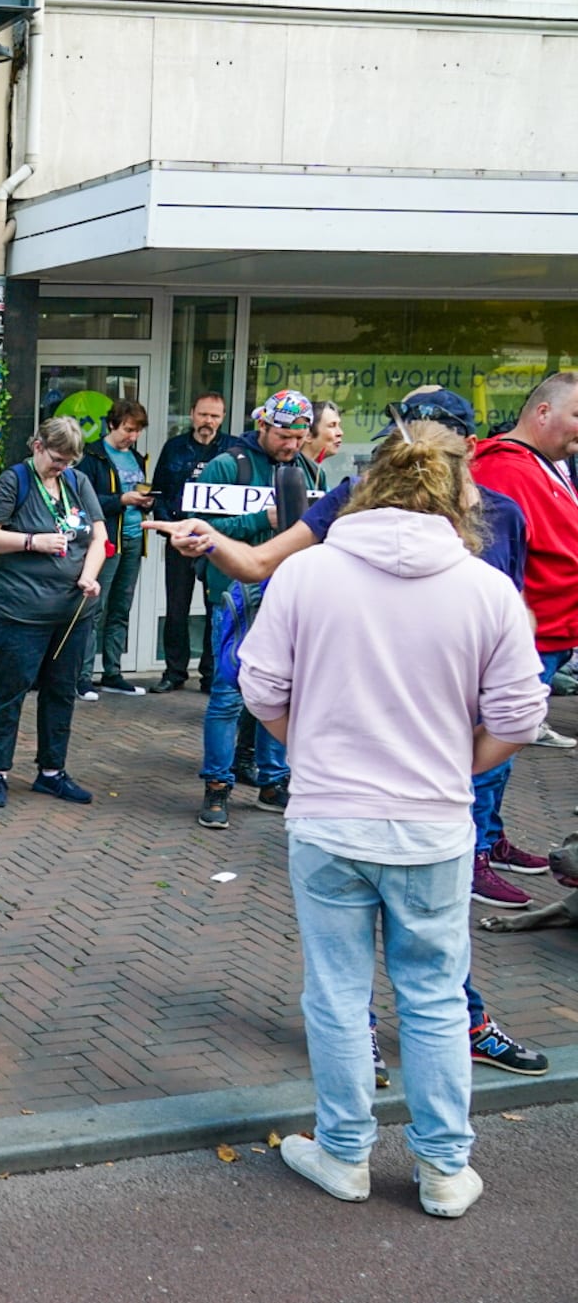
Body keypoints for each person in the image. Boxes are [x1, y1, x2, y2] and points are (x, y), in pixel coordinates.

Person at [154, 386, 554, 1078]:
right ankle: (436, 1147)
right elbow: (258, 572)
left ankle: (382, 1109)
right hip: (410, 775)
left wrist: (459, 758)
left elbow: (516, 662)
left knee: (412, 957)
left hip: (419, 773)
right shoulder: (345, 507)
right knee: (409, 965)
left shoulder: (501, 518)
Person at [240, 423, 543, 1220]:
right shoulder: (484, 588)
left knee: (336, 992)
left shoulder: (309, 575)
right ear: (457, 494)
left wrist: (307, 747)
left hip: (330, 818)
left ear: (369, 485)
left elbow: (261, 685)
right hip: (432, 821)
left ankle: (343, 1152)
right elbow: (520, 710)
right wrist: (456, 763)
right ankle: (445, 1168)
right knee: (436, 996)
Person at [185, 389, 322, 828]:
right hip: (235, 594)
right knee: (227, 694)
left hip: (288, 591)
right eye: (284, 436)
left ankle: (273, 780)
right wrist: (262, 522)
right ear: (262, 425)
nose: (291, 446)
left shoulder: (304, 468)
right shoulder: (229, 465)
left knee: (281, 691)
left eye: (299, 438)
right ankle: (217, 786)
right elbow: (202, 527)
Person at [0, 418, 106, 809]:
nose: (62, 467)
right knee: (9, 693)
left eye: (68, 461)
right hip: (20, 612)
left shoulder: (77, 483)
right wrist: (32, 541)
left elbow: (99, 537)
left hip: (72, 612)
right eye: (57, 459)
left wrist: (89, 577)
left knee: (62, 693)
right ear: (38, 446)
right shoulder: (15, 482)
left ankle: (51, 772)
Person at [464, 370, 578, 755]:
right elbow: (493, 563)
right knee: (490, 763)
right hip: (526, 642)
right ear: (543, 413)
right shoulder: (504, 469)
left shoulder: (540, 464)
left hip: (547, 637)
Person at [148, 392, 237, 694]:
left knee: (217, 607)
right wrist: (171, 532)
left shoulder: (233, 451)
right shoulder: (174, 448)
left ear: (222, 418)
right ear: (191, 414)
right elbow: (158, 493)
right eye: (203, 415)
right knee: (176, 608)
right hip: (181, 541)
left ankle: (211, 674)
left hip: (217, 542)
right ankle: (174, 672)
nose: (207, 421)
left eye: (214, 416)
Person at [77, 398, 154, 700]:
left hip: (133, 538)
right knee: (93, 609)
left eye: (136, 431)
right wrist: (121, 500)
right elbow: (85, 499)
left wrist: (149, 501)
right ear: (112, 424)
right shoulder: (93, 456)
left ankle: (113, 672)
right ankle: (82, 677)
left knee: (120, 608)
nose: (132, 436)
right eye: (127, 429)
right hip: (106, 541)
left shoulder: (136, 457)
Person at [303, 399, 345, 488]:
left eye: (338, 425)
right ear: (308, 435)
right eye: (332, 425)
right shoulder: (294, 475)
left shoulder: (319, 474)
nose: (340, 433)